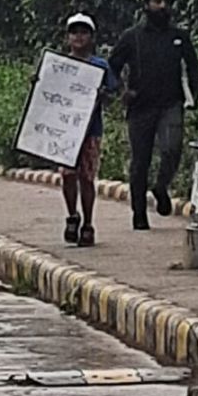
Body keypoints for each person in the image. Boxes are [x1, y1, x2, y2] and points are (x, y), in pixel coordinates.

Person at [109, 0, 198, 230]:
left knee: (172, 149)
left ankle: (161, 187)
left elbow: (194, 67)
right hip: (140, 107)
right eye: (157, 1)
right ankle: (139, 213)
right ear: (146, 5)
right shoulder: (133, 37)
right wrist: (122, 91)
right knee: (141, 161)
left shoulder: (179, 37)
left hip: (171, 104)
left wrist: (194, 96)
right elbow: (112, 66)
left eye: (167, 2)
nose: (162, 6)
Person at [60, 14, 117, 248]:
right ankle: (72, 215)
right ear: (68, 37)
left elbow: (112, 90)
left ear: (91, 37)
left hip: (91, 129)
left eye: (83, 32)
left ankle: (88, 224)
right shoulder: (60, 65)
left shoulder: (100, 66)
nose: (79, 37)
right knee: (67, 175)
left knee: (87, 178)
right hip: (64, 130)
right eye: (75, 32)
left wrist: (103, 93)